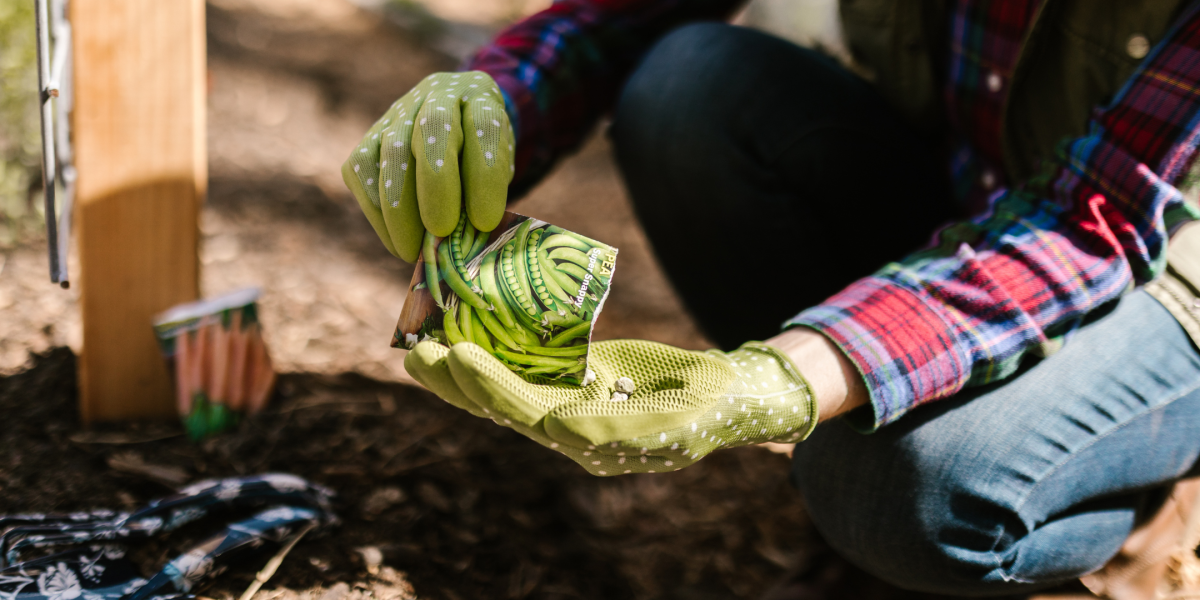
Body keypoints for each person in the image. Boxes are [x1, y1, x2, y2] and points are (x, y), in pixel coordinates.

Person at [341, 1, 1200, 597]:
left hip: (1155, 259)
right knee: (690, 82)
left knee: (906, 484)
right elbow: (623, 17)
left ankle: (1122, 509)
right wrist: (495, 102)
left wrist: (778, 380)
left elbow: (1089, 220)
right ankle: (863, 537)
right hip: (967, 194)